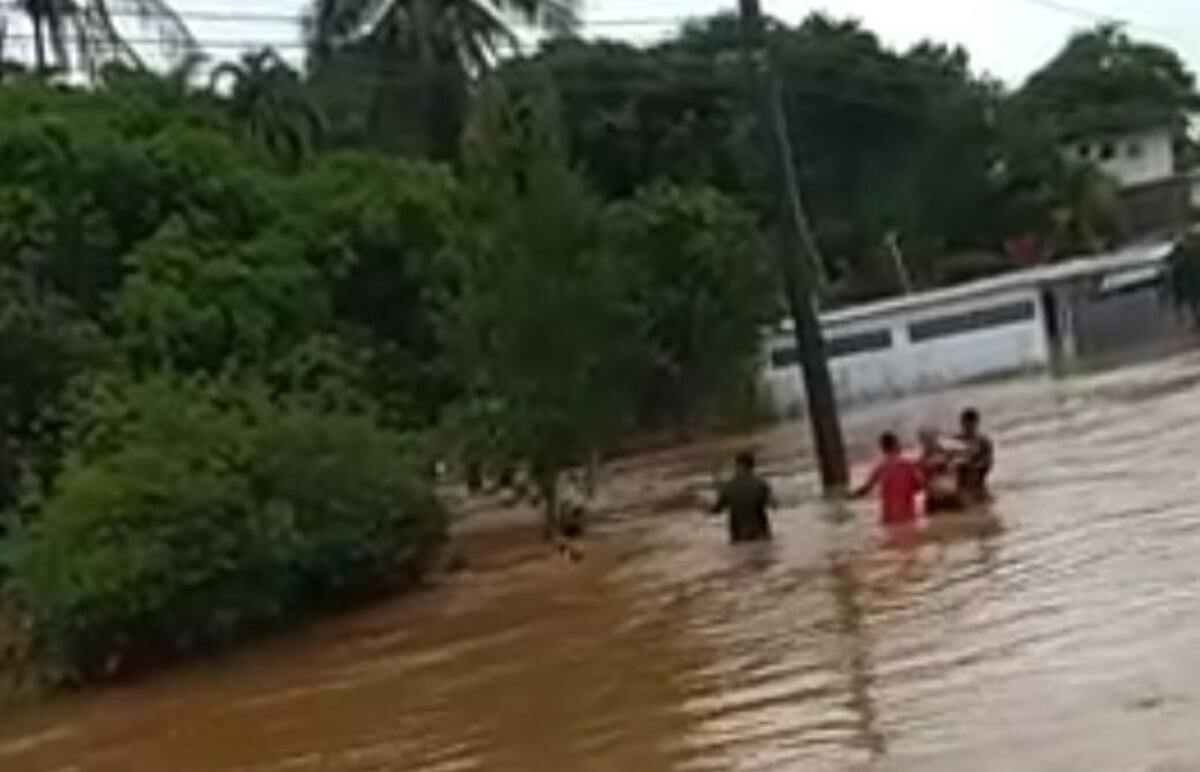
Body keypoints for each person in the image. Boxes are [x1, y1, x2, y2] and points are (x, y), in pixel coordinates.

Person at [852, 432, 924, 527]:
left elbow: (866, 489)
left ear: (883, 449)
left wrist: (851, 496)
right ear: (896, 445)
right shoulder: (908, 465)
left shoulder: (880, 468)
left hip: (888, 517)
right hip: (908, 516)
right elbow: (919, 487)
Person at [712, 451, 775, 543]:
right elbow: (773, 504)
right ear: (752, 467)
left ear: (738, 466)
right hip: (760, 532)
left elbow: (716, 510)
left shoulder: (728, 486)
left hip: (738, 535)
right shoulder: (761, 484)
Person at [918, 427, 961, 514]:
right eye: (925, 440)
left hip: (948, 495)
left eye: (930, 439)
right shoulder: (922, 459)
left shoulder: (948, 453)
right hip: (935, 498)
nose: (927, 442)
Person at [955, 408, 994, 504]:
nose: (968, 428)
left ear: (976, 424)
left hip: (978, 482)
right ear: (962, 424)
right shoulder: (955, 441)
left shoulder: (984, 442)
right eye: (966, 425)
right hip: (961, 483)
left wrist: (972, 463)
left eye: (971, 425)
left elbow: (988, 463)